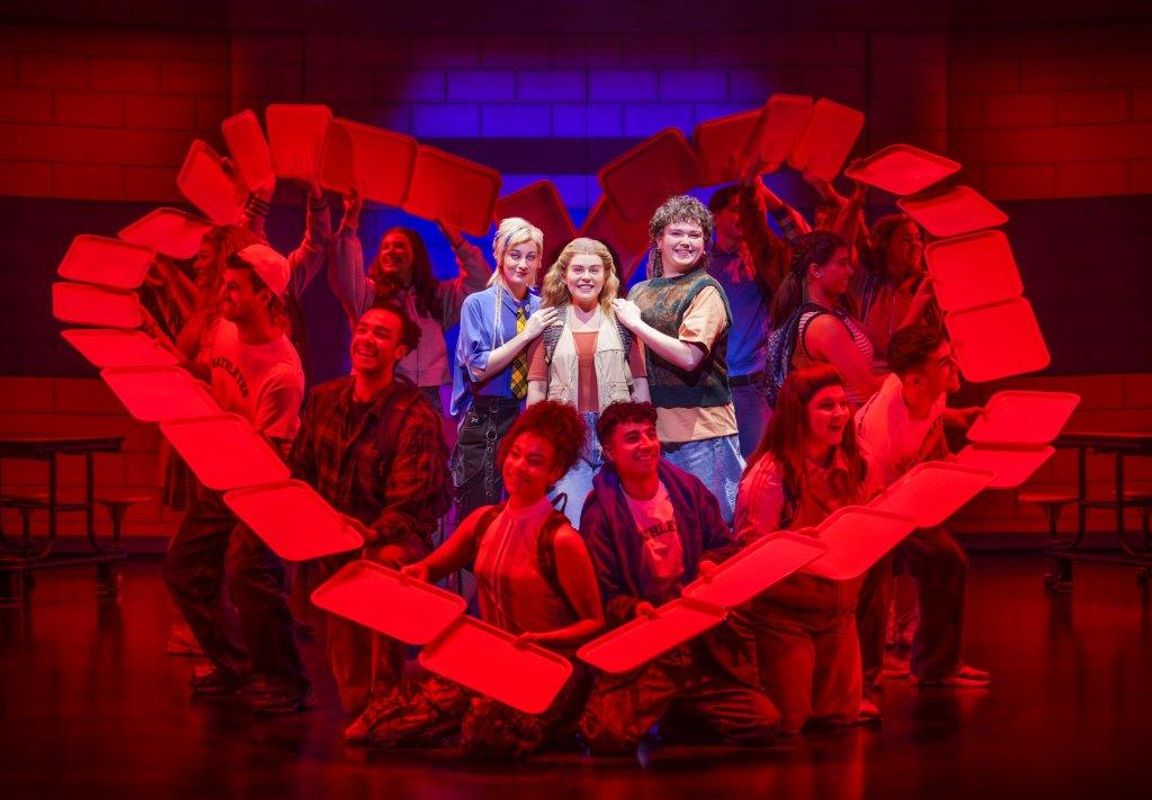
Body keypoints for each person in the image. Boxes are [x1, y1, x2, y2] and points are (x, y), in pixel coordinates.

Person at [367, 402, 604, 758]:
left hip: (548, 671)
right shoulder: (484, 521)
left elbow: (594, 622)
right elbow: (429, 569)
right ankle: (474, 702)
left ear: (554, 471)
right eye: (516, 454)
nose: (519, 466)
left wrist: (542, 639)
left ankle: (513, 716)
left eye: (534, 461)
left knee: (485, 735)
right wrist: (413, 574)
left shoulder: (561, 541)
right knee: (379, 724)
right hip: (492, 662)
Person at [288, 299, 451, 740]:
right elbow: (300, 473)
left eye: (382, 334)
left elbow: (409, 504)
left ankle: (386, 696)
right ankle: (363, 705)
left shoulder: (415, 416)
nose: (367, 339)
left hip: (389, 536)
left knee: (378, 568)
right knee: (340, 575)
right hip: (333, 533)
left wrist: (367, 534)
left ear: (399, 352)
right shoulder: (324, 399)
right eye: (364, 329)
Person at [577, 401, 780, 754]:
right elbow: (602, 591)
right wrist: (633, 609)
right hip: (648, 646)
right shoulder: (600, 514)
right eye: (632, 438)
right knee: (606, 735)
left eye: (650, 435)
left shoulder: (687, 490)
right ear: (610, 452)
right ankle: (663, 703)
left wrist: (709, 564)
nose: (646, 444)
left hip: (698, 640)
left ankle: (682, 708)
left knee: (762, 720)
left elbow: (722, 545)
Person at [161, 243, 310, 714]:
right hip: (224, 471)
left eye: (234, 288)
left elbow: (269, 452)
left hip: (265, 480)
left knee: (248, 571)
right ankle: (236, 668)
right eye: (224, 284)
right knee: (184, 567)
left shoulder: (284, 373)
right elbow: (217, 373)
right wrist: (186, 373)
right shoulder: (226, 329)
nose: (223, 295)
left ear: (265, 297)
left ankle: (286, 679)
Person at [730, 364, 881, 733]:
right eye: (826, 406)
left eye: (843, 404)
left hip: (839, 615)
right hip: (786, 621)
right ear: (801, 413)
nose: (840, 414)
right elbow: (753, 559)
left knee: (840, 721)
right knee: (790, 724)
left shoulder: (857, 463)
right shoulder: (772, 476)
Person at [853, 325, 990, 694]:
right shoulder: (883, 435)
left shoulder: (932, 389)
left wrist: (954, 422)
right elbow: (877, 497)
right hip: (869, 500)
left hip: (903, 491)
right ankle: (862, 685)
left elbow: (930, 422)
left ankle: (935, 668)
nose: (954, 366)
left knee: (947, 560)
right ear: (915, 381)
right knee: (873, 583)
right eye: (945, 363)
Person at [613, 195, 744, 523]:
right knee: (670, 529)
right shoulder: (640, 291)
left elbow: (689, 357)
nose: (685, 241)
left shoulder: (706, 290)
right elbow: (636, 359)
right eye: (676, 233)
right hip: (656, 434)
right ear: (658, 240)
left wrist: (636, 323)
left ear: (705, 244)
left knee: (712, 528)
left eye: (695, 234)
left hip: (702, 433)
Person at [329, 190, 490, 412]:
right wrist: (350, 222)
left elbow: (480, 283)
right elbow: (344, 273)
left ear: (415, 254)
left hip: (426, 396)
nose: (391, 251)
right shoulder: (368, 295)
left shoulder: (436, 297)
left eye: (399, 246)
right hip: (378, 388)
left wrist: (455, 238)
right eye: (385, 247)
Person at [526, 237, 649, 524]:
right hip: (567, 437)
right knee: (573, 522)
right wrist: (536, 441)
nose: (586, 277)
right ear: (564, 275)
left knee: (619, 524)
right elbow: (537, 390)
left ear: (606, 276)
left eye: (594, 270)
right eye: (578, 270)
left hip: (614, 438)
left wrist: (642, 434)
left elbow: (640, 386)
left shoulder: (623, 320)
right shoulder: (548, 323)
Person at [450, 218, 559, 523]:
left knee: (523, 512)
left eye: (531, 256)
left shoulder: (542, 308)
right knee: (479, 514)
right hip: (486, 415)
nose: (522, 264)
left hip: (527, 415)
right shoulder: (478, 304)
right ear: (498, 255)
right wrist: (526, 335)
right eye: (515, 254)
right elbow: (478, 368)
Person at [706, 183, 788, 458]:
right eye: (736, 210)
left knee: (757, 467)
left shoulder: (762, 258)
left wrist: (766, 193)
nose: (744, 217)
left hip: (754, 386)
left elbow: (800, 239)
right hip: (712, 390)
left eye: (748, 211)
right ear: (715, 216)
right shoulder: (699, 263)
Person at [766, 231, 880, 408]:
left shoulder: (837, 313)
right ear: (816, 270)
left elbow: (883, 346)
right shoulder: (823, 325)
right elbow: (868, 387)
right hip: (843, 427)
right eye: (842, 264)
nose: (850, 271)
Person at [855, 213, 939, 366]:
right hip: (875, 379)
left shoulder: (929, 287)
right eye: (906, 239)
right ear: (885, 246)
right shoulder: (869, 285)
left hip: (916, 376)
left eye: (918, 238)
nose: (916, 245)